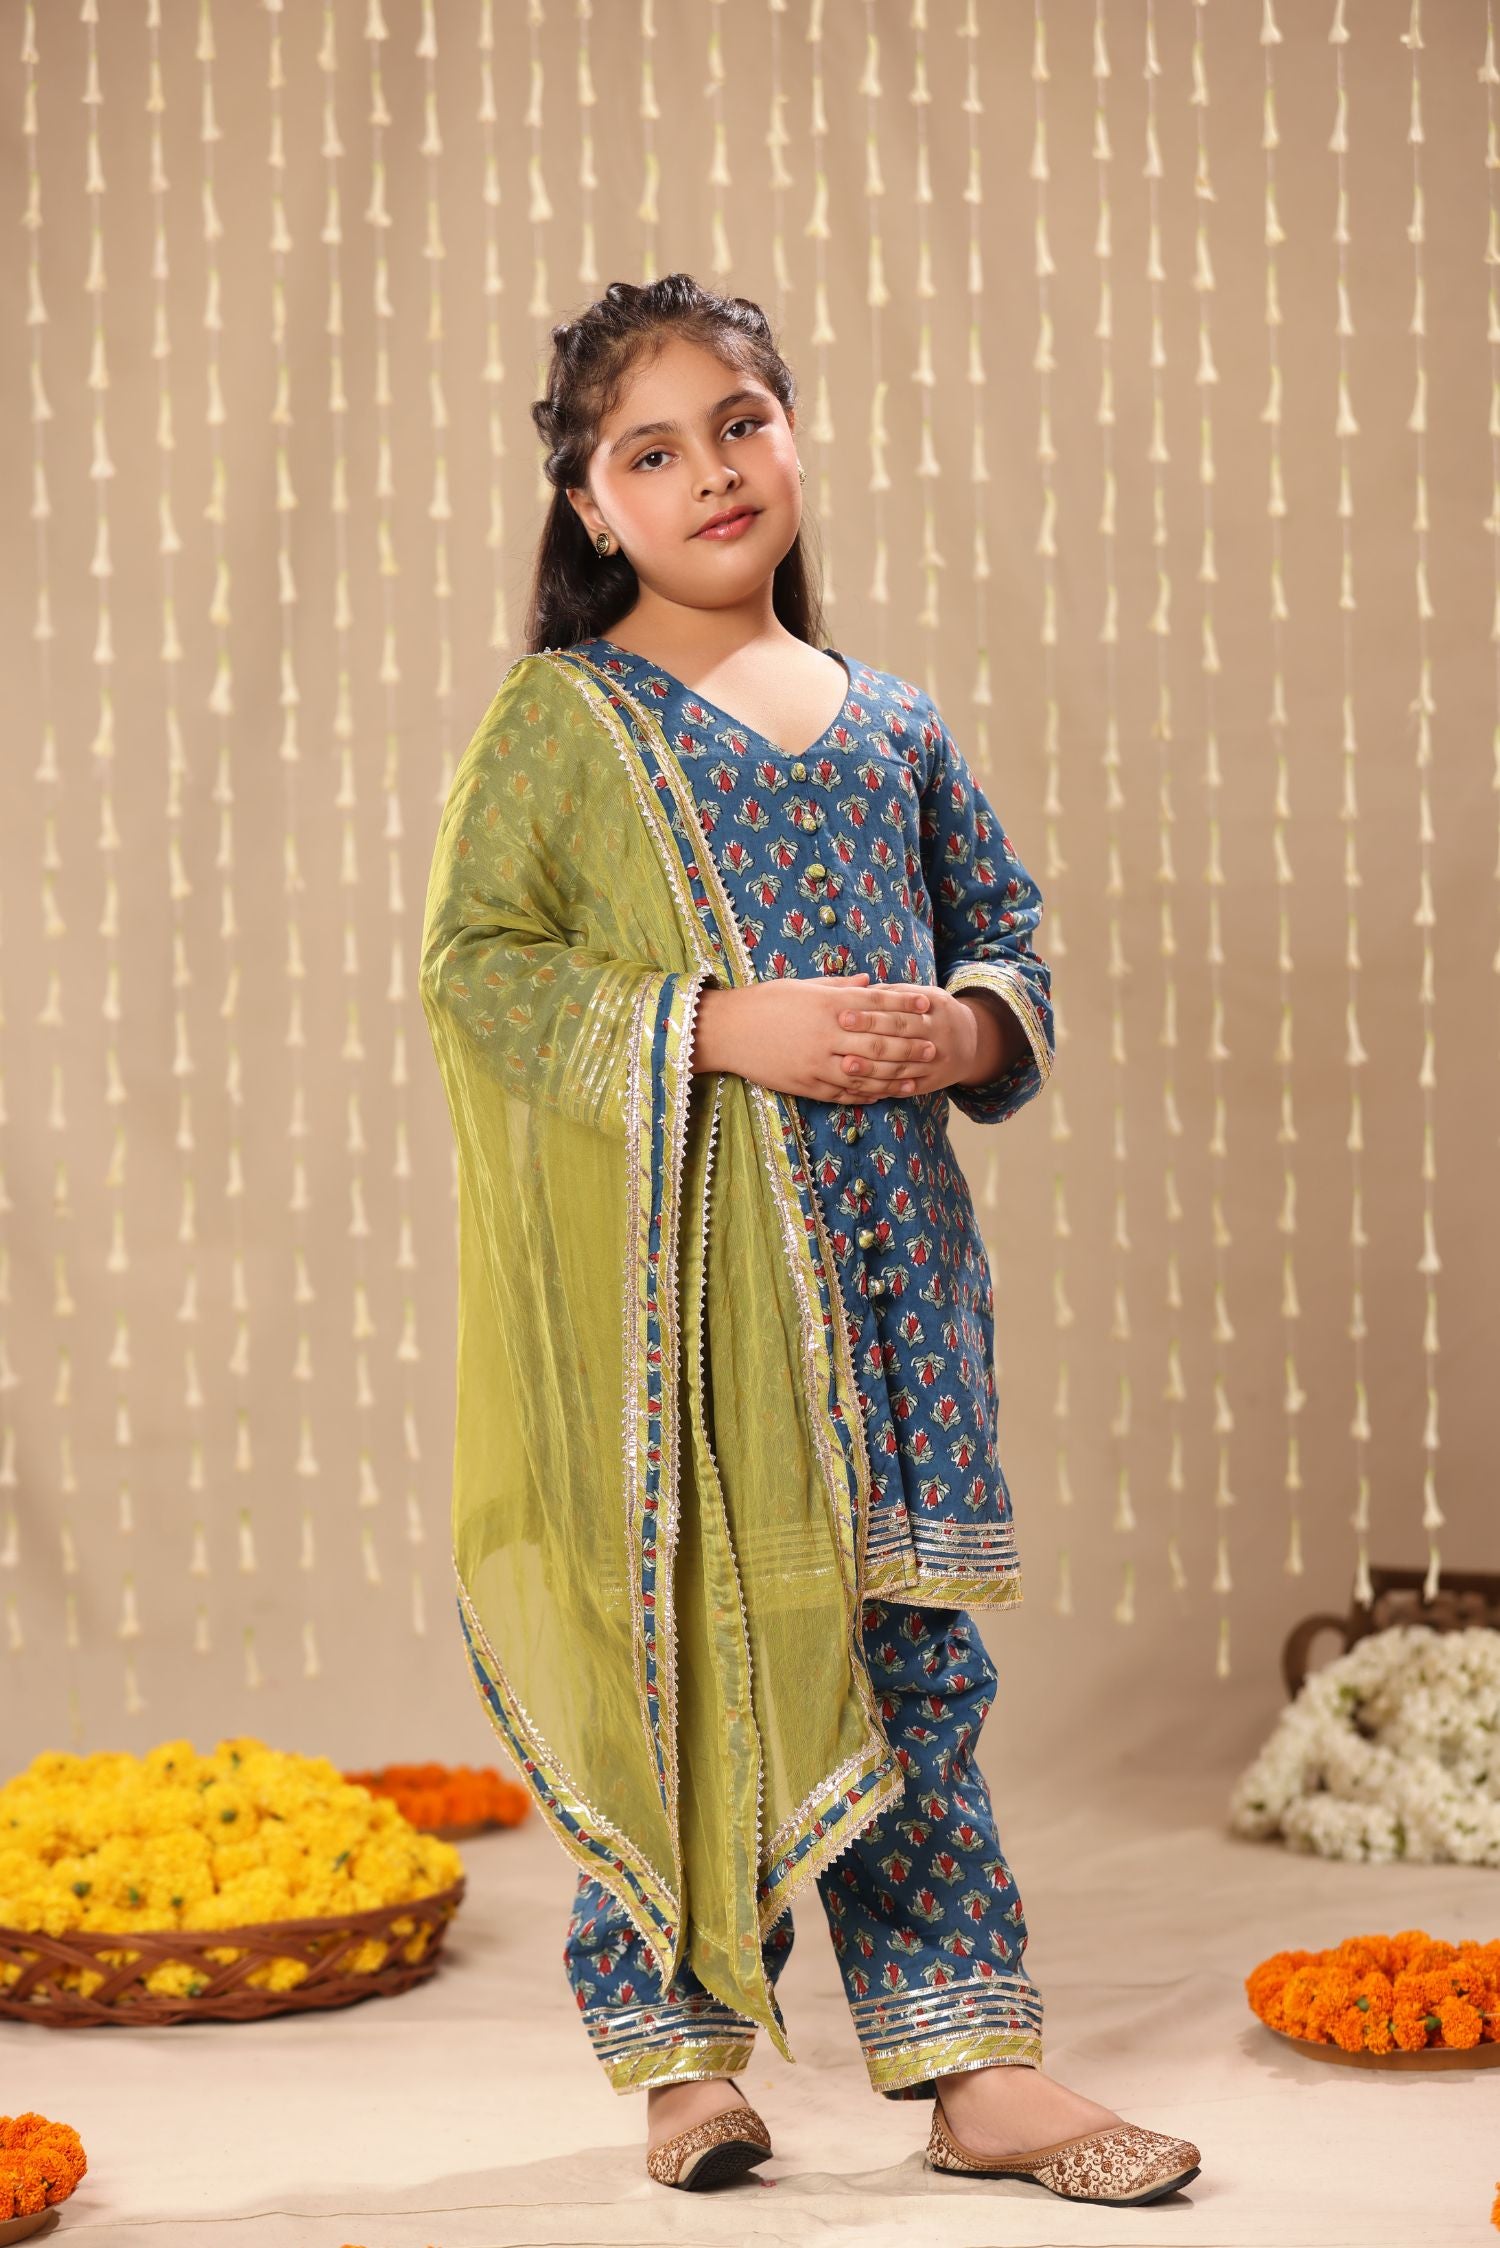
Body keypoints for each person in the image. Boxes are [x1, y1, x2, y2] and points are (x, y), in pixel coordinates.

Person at [419, 273, 1201, 2208]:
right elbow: (480, 968)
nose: (712, 470)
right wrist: (711, 1025)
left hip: (893, 1286)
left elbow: (1006, 940)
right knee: (689, 1656)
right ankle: (685, 2059)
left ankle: (975, 2063)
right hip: (682, 1321)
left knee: (909, 1660)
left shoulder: (896, 722)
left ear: (794, 439)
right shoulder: (566, 721)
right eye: (653, 450)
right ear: (592, 506)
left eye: (742, 423)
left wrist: (971, 1031)